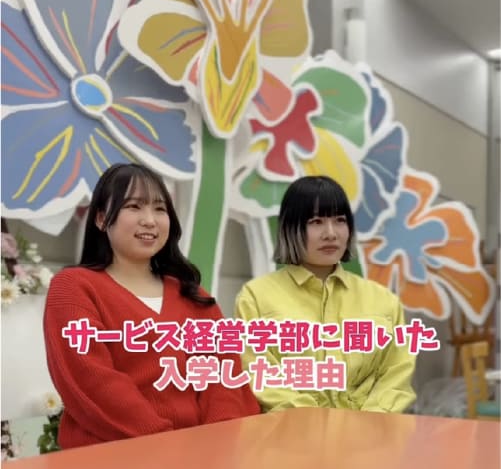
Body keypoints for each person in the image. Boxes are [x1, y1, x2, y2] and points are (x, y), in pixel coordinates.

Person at [44, 163, 260, 449]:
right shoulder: (74, 287)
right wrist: (164, 444)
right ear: (101, 218)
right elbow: (91, 379)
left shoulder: (194, 296)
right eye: (133, 206)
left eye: (160, 209)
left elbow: (224, 378)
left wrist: (217, 443)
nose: (149, 220)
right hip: (112, 457)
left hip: (202, 456)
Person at [235, 175, 416, 414]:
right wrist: (318, 421)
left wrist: (367, 422)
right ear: (290, 228)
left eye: (340, 220)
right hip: (291, 432)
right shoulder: (255, 297)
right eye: (316, 221)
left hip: (370, 432)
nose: (331, 233)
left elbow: (396, 376)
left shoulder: (384, 301)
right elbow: (260, 374)